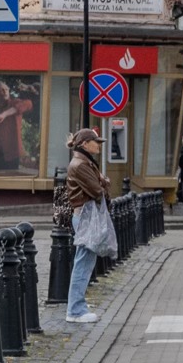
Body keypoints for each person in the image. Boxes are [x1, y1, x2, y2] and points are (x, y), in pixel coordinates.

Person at [60, 127, 109, 323]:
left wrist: (103, 183)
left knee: (85, 261)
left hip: (85, 214)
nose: (99, 145)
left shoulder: (84, 162)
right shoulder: (80, 165)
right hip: (85, 215)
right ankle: (75, 310)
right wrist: (104, 182)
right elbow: (98, 190)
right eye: (96, 142)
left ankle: (77, 306)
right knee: (83, 262)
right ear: (85, 144)